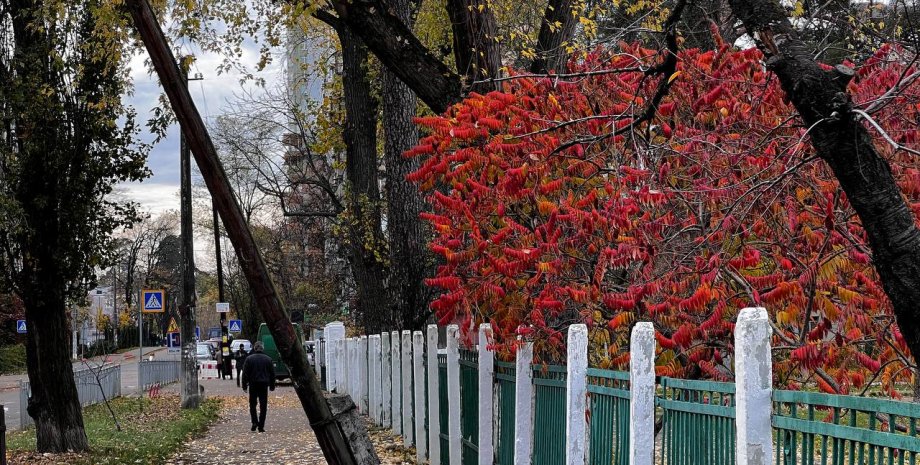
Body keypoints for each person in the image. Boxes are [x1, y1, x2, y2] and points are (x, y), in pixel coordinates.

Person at [241, 341, 275, 432]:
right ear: (263, 348)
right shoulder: (268, 359)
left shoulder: (249, 359)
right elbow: (272, 374)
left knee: (252, 404)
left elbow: (245, 373)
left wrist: (244, 385)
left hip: (253, 384)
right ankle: (261, 425)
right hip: (264, 384)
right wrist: (272, 385)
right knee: (263, 405)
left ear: (254, 348)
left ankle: (254, 422)